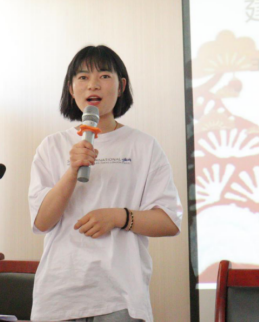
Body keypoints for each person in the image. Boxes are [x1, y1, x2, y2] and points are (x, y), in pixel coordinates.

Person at [28, 45, 183, 322]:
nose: (93, 85)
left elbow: (169, 221)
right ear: (71, 88)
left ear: (121, 86)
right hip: (59, 299)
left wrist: (118, 217)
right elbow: (42, 222)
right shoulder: (51, 146)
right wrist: (72, 172)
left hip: (120, 299)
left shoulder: (144, 146)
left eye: (104, 76)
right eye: (83, 77)